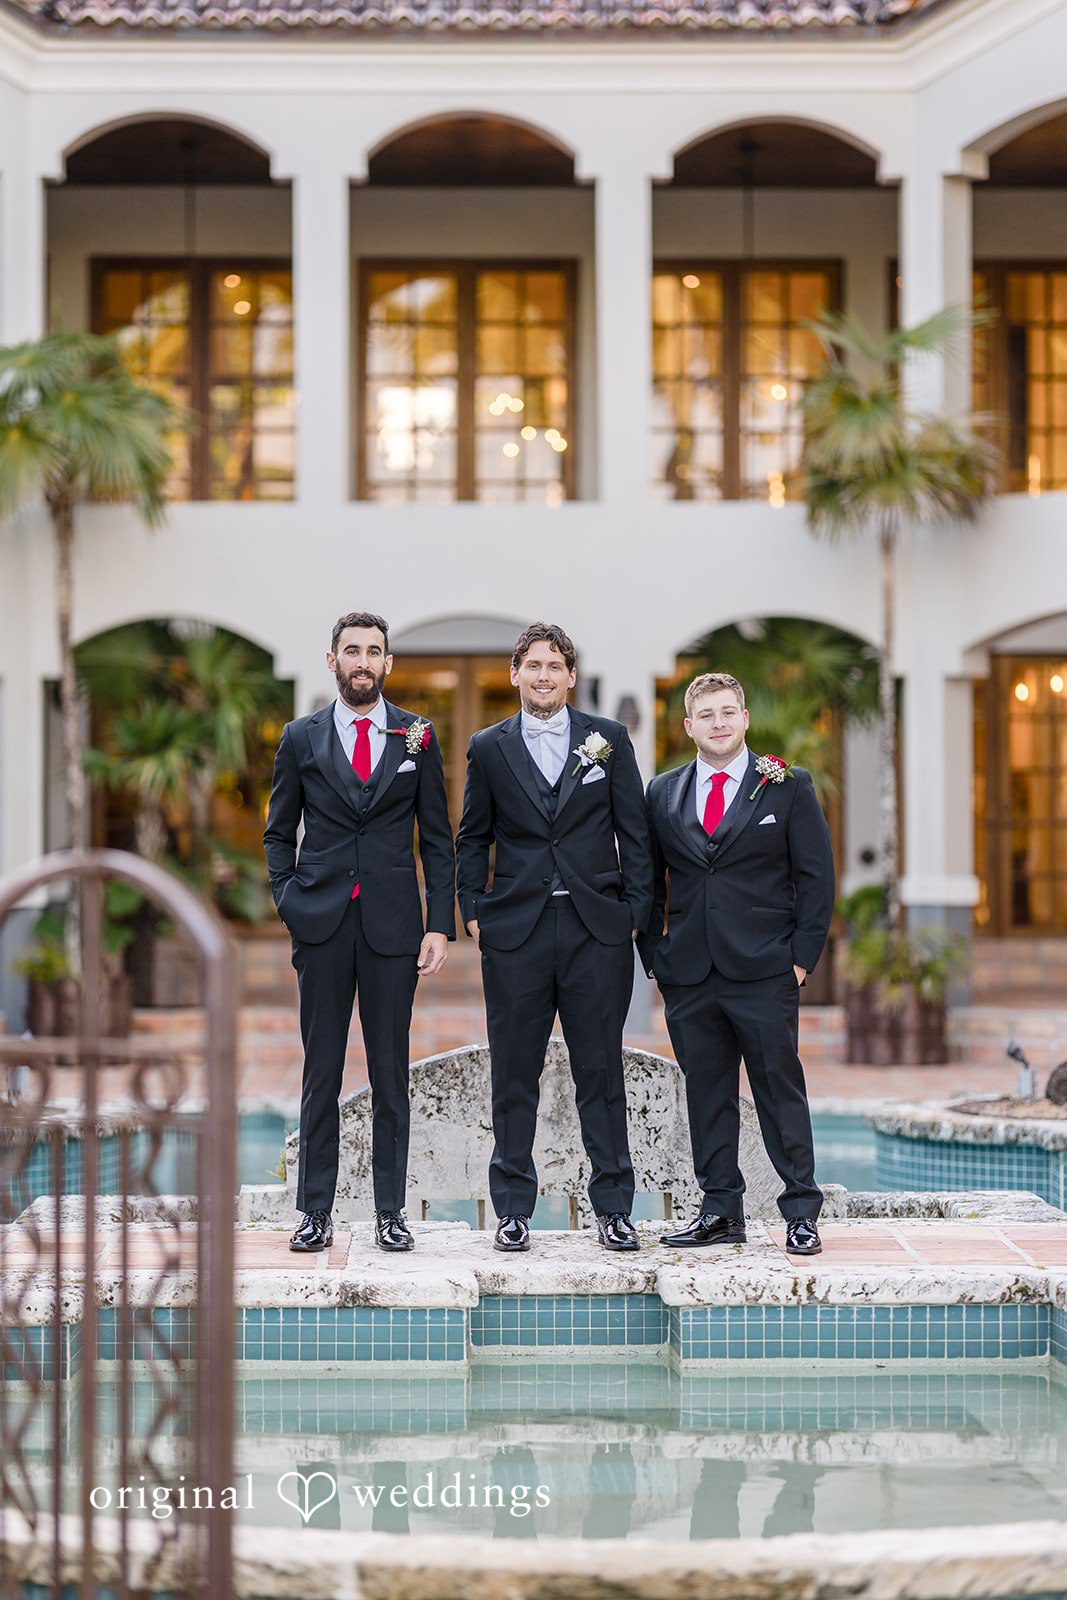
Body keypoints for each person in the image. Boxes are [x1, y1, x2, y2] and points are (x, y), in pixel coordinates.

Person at [456, 622, 654, 1254]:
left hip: (597, 930)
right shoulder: (488, 747)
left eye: (554, 666)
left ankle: (615, 1208)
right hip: (516, 932)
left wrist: (633, 915)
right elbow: (472, 837)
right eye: (531, 665)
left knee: (601, 1072)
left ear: (571, 675)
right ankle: (513, 1208)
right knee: (514, 1073)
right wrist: (475, 912)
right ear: (514, 674)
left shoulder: (609, 741)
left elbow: (637, 835)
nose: (543, 676)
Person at [263, 611, 455, 1254]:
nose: (363, 661)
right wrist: (287, 898)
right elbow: (277, 832)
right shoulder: (300, 736)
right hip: (320, 923)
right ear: (333, 661)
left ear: (388, 664)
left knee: (390, 1072)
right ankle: (314, 1210)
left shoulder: (417, 736)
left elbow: (436, 838)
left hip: (393, 927)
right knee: (320, 1071)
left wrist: (438, 924)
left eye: (375, 651)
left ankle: (389, 1212)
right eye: (353, 651)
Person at [638, 671, 834, 1256]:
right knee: (707, 1094)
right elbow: (648, 882)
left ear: (744, 719)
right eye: (707, 715)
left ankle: (801, 1208)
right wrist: (656, 956)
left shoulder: (788, 786)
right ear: (689, 726)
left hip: (766, 971)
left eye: (729, 712)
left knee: (780, 1090)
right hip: (691, 974)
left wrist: (800, 959)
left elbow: (816, 879)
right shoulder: (663, 793)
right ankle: (720, 1211)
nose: (719, 723)